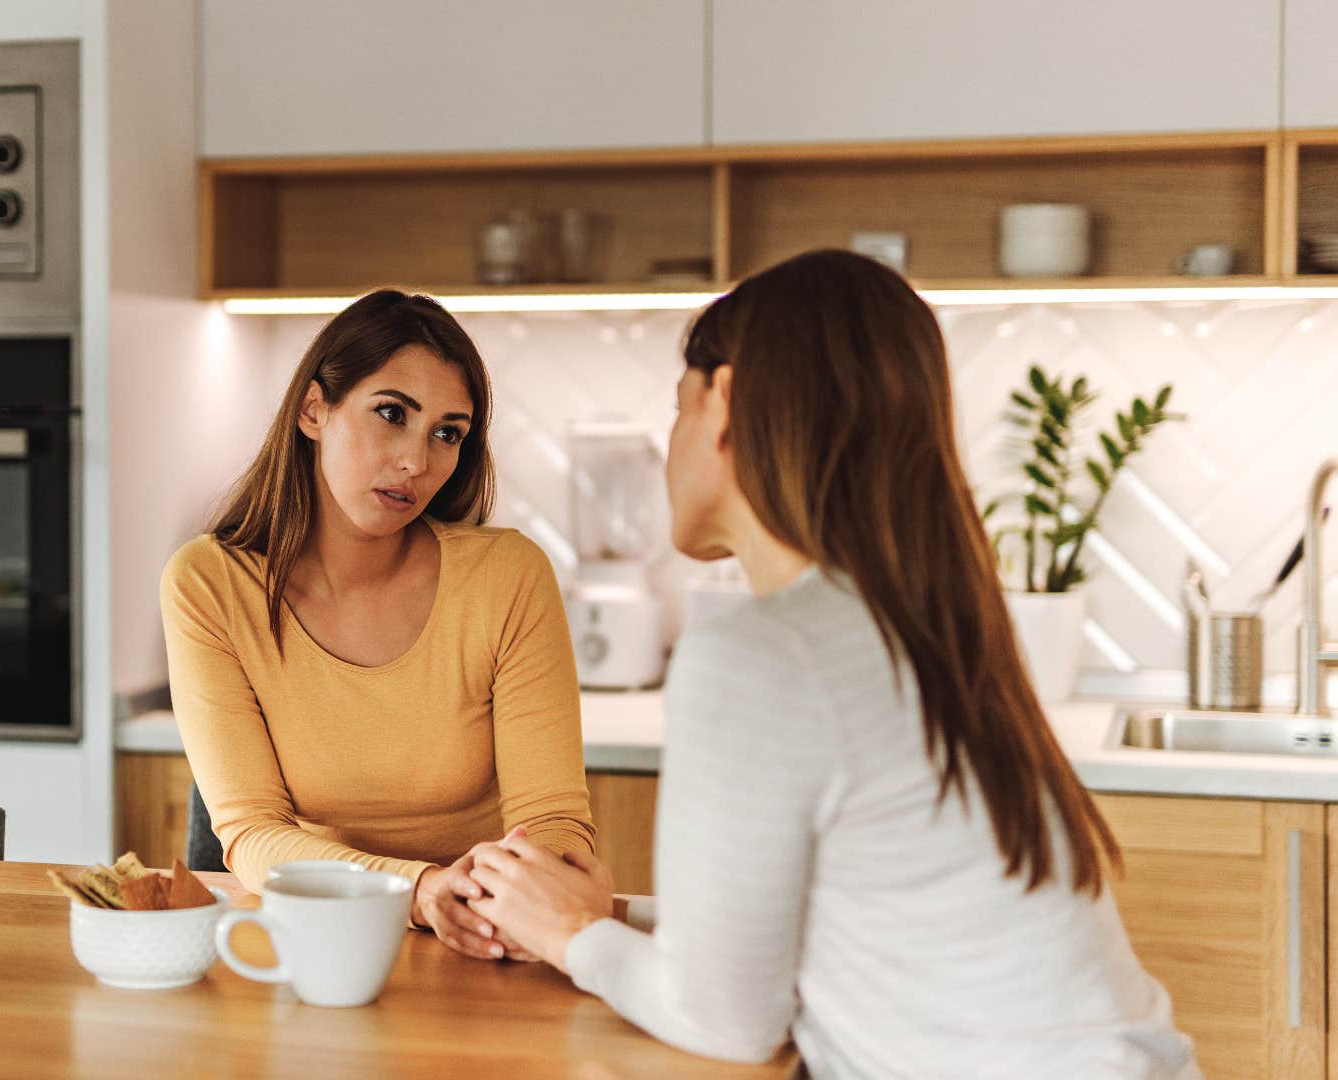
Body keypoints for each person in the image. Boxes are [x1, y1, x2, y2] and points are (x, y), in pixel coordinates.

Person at [463, 251, 1199, 1077]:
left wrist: (570, 936)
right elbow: (827, 923)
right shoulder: (917, 624)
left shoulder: (762, 653)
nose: (670, 443)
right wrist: (610, 916)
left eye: (678, 407)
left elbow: (725, 1019)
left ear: (726, 401)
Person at [161, 288, 596, 961]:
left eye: (447, 433)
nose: (417, 463)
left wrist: (519, 896)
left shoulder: (507, 576)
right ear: (314, 409)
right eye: (392, 414)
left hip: (482, 942)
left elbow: (554, 821)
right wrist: (420, 891)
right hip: (309, 941)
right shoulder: (209, 585)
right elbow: (251, 833)